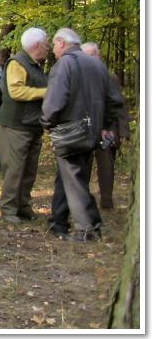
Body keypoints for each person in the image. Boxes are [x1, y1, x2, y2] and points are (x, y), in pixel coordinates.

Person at [42, 29, 123, 242]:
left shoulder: (64, 65)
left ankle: (87, 229)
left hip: (70, 132)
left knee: (74, 179)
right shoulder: (97, 65)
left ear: (61, 42)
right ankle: (58, 221)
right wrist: (104, 124)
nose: (53, 49)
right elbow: (115, 100)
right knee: (69, 176)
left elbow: (55, 101)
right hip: (92, 132)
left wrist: (47, 122)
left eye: (54, 45)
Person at [0, 27, 48, 224]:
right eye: (46, 44)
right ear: (36, 45)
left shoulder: (36, 65)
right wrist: (46, 92)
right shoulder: (17, 63)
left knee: (29, 169)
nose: (48, 48)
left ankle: (23, 206)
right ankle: (8, 208)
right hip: (16, 125)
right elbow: (16, 92)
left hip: (32, 124)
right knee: (15, 169)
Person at [82, 42, 131, 209]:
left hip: (107, 129)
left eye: (92, 55)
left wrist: (123, 130)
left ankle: (107, 202)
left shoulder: (110, 78)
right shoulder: (77, 77)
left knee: (106, 166)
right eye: (85, 56)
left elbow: (120, 106)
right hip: (84, 130)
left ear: (99, 56)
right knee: (83, 166)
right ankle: (83, 202)